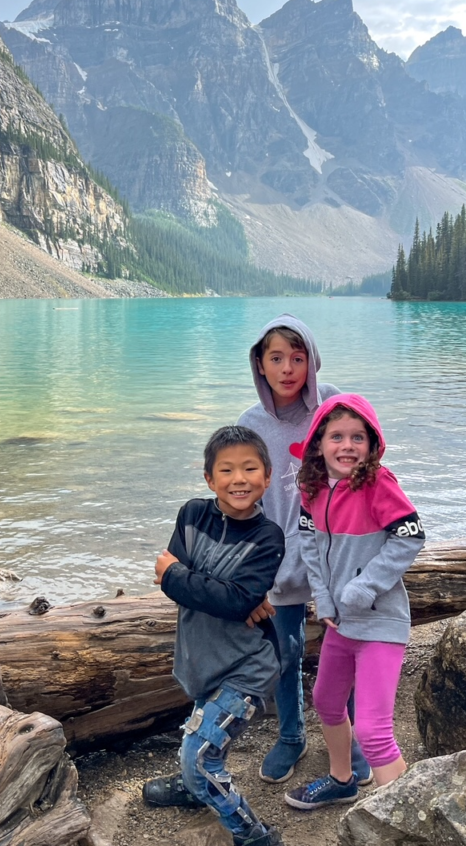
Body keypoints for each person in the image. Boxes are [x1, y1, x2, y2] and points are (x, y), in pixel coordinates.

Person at [237, 315, 370, 786]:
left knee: (346, 649)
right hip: (279, 559)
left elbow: (365, 464)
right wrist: (247, 568)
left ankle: (351, 740)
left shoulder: (333, 406)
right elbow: (241, 497)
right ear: (260, 363)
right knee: (285, 652)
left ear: (312, 359)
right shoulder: (250, 424)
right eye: (276, 358)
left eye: (298, 358)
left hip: (338, 552)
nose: (288, 369)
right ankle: (291, 736)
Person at [144, 425, 286, 846]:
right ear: (209, 479)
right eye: (226, 470)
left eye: (249, 468)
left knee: (201, 757)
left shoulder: (268, 538)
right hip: (203, 657)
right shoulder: (192, 515)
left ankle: (254, 835)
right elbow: (172, 581)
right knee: (201, 731)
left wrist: (189, 580)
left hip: (247, 665)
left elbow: (226, 598)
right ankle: (194, 789)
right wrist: (222, 592)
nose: (238, 479)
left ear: (267, 476)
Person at [284, 394, 425, 810]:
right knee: (326, 702)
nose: (347, 446)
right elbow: (310, 545)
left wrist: (365, 586)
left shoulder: (379, 484)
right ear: (318, 442)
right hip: (341, 624)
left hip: (380, 622)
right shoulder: (311, 488)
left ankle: (404, 823)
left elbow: (411, 536)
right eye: (337, 437)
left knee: (373, 731)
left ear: (371, 443)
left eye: (357, 437)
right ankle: (342, 780)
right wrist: (323, 598)